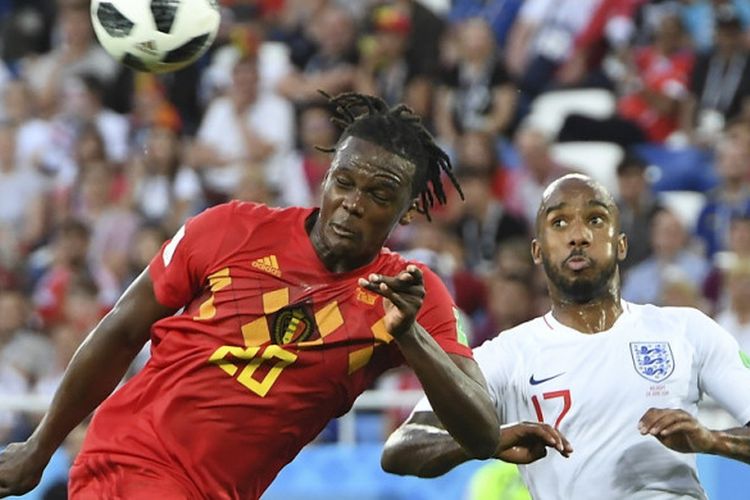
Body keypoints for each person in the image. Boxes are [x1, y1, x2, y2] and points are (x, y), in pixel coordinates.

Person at [0, 93, 502, 499]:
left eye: (379, 195)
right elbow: (122, 329)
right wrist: (40, 447)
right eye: (343, 182)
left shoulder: (410, 293)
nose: (352, 203)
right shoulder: (229, 228)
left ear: (409, 211)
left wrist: (409, 335)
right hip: (131, 463)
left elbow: (481, 430)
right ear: (324, 178)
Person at [382, 173, 750, 499]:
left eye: (595, 219)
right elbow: (402, 449)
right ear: (538, 252)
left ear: (620, 244)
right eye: (559, 222)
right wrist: (489, 442)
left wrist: (712, 440)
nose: (578, 236)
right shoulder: (507, 356)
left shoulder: (687, 329)